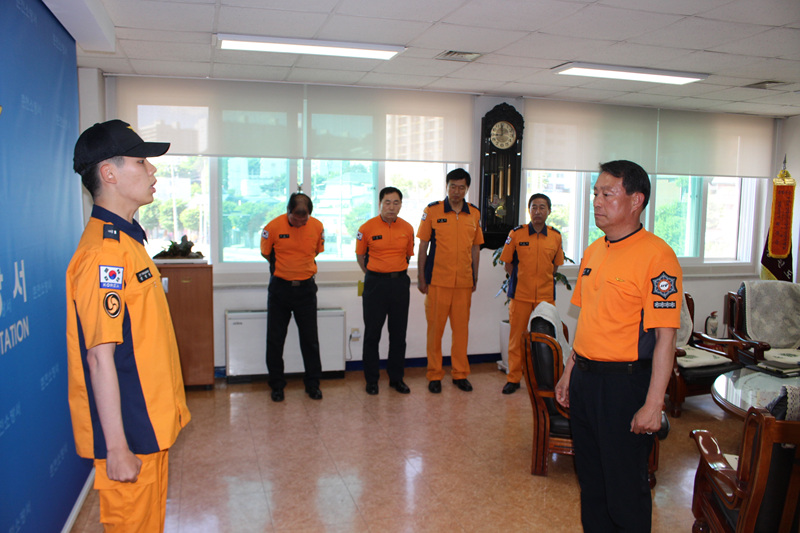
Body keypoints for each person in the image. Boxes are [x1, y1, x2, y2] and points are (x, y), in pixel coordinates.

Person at [67, 119, 191, 532]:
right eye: (141, 161)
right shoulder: (104, 254)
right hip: (132, 431)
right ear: (109, 173)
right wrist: (117, 447)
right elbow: (99, 357)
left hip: (148, 423)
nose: (152, 170)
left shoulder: (127, 243)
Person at [555, 160, 682, 532]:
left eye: (607, 194)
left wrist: (654, 404)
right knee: (592, 484)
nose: (597, 201)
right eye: (595, 193)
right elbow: (588, 320)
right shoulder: (595, 251)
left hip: (624, 386)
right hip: (586, 381)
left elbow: (666, 338)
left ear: (636, 200)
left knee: (624, 490)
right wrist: (569, 371)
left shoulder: (657, 257)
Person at [417, 168, 484, 393]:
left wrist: (475, 276)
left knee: (461, 332)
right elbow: (423, 246)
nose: (456, 191)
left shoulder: (474, 213)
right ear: (447, 187)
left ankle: (460, 374)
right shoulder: (432, 211)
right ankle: (434, 375)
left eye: (461, 187)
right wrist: (421, 277)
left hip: (463, 283)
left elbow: (475, 248)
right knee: (435, 332)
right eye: (453, 187)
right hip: (437, 281)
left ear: (467, 189)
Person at [261, 193, 325, 402]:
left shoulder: (317, 226)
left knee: (310, 340)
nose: (300, 224)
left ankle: (313, 385)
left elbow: (315, 251)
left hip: (306, 290)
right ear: (288, 211)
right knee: (275, 340)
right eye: (296, 219)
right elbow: (266, 253)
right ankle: (277, 385)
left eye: (304, 220)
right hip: (280, 290)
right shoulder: (272, 227)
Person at [499, 193, 564, 394]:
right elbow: (508, 264)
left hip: (545, 299)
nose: (538, 211)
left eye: (542, 207)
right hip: (520, 296)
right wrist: (523, 281)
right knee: (517, 339)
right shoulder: (516, 234)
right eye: (534, 207)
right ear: (529, 210)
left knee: (545, 339)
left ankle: (543, 379)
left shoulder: (555, 236)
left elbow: (555, 266)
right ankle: (513, 378)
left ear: (549, 211)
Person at [356, 187, 415, 395]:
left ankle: (396, 379)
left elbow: (408, 255)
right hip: (375, 285)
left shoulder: (407, 228)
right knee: (372, 334)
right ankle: (371, 380)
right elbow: (361, 257)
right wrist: (375, 274)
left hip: (399, 285)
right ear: (380, 203)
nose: (391, 207)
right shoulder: (366, 228)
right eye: (387, 202)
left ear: (400, 205)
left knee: (398, 334)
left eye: (396, 202)